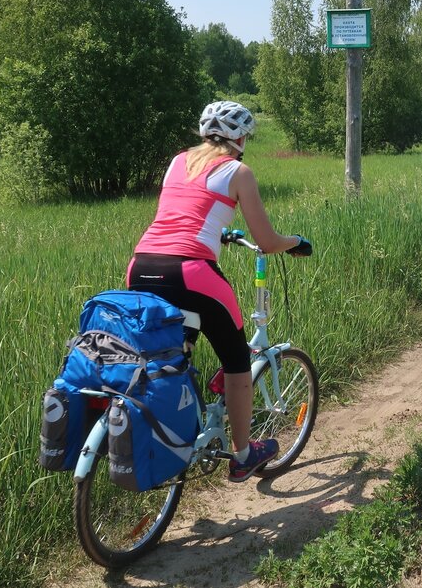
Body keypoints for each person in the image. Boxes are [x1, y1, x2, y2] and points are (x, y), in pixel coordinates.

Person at [127, 100, 312, 482]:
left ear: (202, 133)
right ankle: (243, 454)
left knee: (171, 355)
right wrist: (294, 241)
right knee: (235, 358)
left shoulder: (178, 162)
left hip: (142, 266)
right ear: (241, 138)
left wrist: (220, 234)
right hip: (190, 272)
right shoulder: (238, 171)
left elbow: (185, 214)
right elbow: (266, 239)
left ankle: (177, 428)